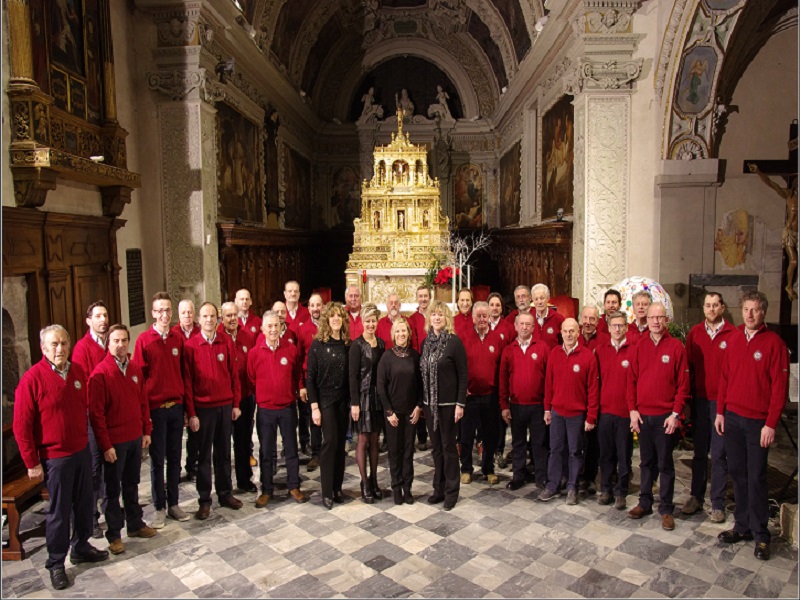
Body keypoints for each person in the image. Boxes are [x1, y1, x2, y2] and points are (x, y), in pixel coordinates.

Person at [14, 325, 109, 590]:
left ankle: (80, 546)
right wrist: (32, 462)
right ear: (43, 349)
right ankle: (56, 563)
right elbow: (22, 425)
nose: (60, 349)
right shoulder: (32, 379)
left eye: (64, 343)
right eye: (54, 345)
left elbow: (84, 410)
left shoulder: (77, 372)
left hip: (80, 451)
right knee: (59, 511)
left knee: (83, 504)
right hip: (55, 458)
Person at [715, 291, 789, 561]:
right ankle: (742, 526)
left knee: (756, 476)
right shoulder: (734, 339)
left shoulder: (774, 344)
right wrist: (720, 412)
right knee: (737, 472)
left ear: (763, 312)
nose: (749, 314)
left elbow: (779, 389)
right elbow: (724, 379)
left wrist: (771, 424)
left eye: (755, 310)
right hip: (732, 418)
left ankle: (761, 534)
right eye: (746, 309)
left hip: (758, 422)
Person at [88, 324, 156, 555]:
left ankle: (135, 524)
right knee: (111, 491)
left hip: (134, 437)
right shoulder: (100, 374)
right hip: (114, 443)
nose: (121, 345)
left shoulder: (135, 369)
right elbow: (96, 415)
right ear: (109, 343)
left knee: (132, 484)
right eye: (116, 341)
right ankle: (115, 534)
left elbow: (142, 402)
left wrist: (146, 430)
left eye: (124, 340)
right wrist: (106, 445)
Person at [627, 302, 690, 531]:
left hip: (665, 417)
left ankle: (665, 509)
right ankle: (645, 502)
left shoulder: (676, 347)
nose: (655, 321)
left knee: (665, 465)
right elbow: (631, 381)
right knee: (645, 462)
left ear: (666, 320)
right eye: (652, 317)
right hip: (643, 416)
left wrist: (675, 414)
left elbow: (683, 385)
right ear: (647, 319)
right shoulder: (638, 345)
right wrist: (632, 411)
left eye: (659, 317)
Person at [132, 292, 191, 527]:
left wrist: (187, 409)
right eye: (160, 311)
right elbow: (139, 380)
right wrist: (144, 415)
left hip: (175, 407)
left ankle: (174, 503)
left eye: (168, 310)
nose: (165, 315)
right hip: (156, 409)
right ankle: (159, 507)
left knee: (176, 458)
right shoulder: (144, 341)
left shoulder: (178, 339)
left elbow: (184, 375)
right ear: (153, 314)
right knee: (158, 461)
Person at [183, 302, 243, 519]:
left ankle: (225, 493)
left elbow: (233, 375)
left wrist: (236, 404)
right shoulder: (190, 346)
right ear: (199, 320)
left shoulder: (225, 341)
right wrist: (191, 413)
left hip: (225, 405)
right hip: (203, 408)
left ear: (218, 320)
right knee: (203, 456)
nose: (209, 320)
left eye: (212, 316)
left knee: (224, 453)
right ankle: (204, 500)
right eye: (205, 316)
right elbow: (187, 382)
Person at [682, 292, 736, 522]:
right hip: (700, 401)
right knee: (699, 452)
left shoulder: (733, 335)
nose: (711, 309)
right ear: (703, 308)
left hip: (721, 403)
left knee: (719, 453)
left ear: (722, 308)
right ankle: (696, 496)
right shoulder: (695, 333)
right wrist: (686, 401)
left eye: (715, 305)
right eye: (708, 305)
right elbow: (688, 369)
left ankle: (717, 503)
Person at [247, 311, 308, 508]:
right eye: (269, 326)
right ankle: (266, 489)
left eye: (277, 326)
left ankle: (293, 485)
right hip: (265, 410)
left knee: (291, 449)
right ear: (263, 329)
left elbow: (296, 373)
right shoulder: (254, 353)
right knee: (266, 451)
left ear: (282, 327)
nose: (273, 329)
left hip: (288, 407)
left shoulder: (290, 350)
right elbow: (251, 378)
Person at [539, 318, 599, 505]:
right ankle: (553, 484)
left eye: (572, 331)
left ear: (578, 332)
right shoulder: (554, 354)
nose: (568, 334)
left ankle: (572, 487)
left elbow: (593, 389)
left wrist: (591, 416)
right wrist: (547, 409)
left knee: (574, 452)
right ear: (561, 333)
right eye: (565, 331)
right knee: (555, 450)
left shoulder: (588, 356)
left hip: (577, 415)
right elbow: (548, 384)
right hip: (557, 412)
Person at [420, 300, 468, 510]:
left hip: (449, 404)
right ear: (429, 318)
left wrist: (460, 403)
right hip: (430, 405)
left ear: (446, 318)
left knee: (449, 448)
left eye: (440, 314)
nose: (436, 318)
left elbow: (463, 374)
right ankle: (438, 489)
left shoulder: (454, 342)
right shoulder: (425, 343)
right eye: (433, 314)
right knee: (436, 449)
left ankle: (451, 492)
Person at [307, 302, 351, 509]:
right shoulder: (318, 345)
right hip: (325, 400)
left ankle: (337, 488)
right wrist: (314, 407)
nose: (336, 319)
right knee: (330, 442)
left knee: (340, 445)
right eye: (332, 316)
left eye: (339, 316)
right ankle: (326, 491)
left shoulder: (346, 344)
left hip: (343, 400)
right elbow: (310, 378)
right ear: (326, 320)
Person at [71, 301, 109, 539]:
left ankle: (109, 508)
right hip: (92, 416)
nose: (102, 320)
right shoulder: (82, 348)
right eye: (98, 316)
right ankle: (91, 518)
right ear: (89, 321)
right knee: (94, 468)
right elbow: (85, 385)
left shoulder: (111, 342)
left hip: (111, 415)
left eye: (105, 315)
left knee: (109, 466)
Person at [499, 313, 550, 491]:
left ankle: (541, 476)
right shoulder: (508, 350)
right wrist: (504, 406)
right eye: (521, 324)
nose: (524, 327)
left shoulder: (543, 348)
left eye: (528, 324)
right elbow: (503, 380)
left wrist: (547, 406)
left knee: (539, 443)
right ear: (515, 326)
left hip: (538, 405)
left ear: (533, 327)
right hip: (516, 405)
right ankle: (518, 476)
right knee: (518, 443)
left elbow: (549, 379)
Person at [377, 319, 423, 504]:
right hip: (394, 414)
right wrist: (389, 412)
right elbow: (381, 387)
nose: (401, 334)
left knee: (408, 452)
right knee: (394, 452)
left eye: (404, 331)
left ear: (408, 333)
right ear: (393, 334)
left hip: (411, 413)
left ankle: (407, 488)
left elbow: (421, 386)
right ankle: (396, 487)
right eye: (398, 331)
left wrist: (419, 406)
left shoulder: (415, 356)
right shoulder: (386, 358)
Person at [459, 301, 504, 486]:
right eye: (478, 316)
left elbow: (501, 368)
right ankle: (466, 469)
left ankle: (488, 469)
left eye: (485, 316)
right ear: (473, 317)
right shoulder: (463, 337)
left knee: (490, 435)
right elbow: (458, 367)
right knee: (467, 436)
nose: (482, 319)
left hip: (490, 397)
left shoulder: (497, 339)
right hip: (469, 397)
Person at [594, 311, 635, 510]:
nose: (617, 329)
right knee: (606, 455)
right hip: (605, 412)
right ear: (608, 327)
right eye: (614, 325)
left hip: (625, 413)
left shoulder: (634, 350)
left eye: (621, 325)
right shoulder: (600, 350)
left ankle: (621, 492)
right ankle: (606, 489)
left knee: (623, 455)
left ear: (626, 327)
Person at [218, 302, 257, 493]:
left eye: (234, 315)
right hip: (225, 399)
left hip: (245, 396)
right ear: (222, 318)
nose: (232, 319)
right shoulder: (217, 338)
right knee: (224, 444)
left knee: (243, 440)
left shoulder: (247, 336)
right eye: (228, 316)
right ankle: (225, 486)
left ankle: (245, 479)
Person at [349, 304, 385, 503]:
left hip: (377, 397)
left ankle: (374, 480)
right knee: (363, 440)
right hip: (362, 397)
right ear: (363, 321)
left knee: (375, 440)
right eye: (368, 320)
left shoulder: (380, 343)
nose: (371, 324)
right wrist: (354, 403)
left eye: (374, 320)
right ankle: (364, 482)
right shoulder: (357, 345)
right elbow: (353, 376)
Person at [748, 165, 797, 299]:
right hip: (789, 233)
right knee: (793, 262)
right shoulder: (789, 195)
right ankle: (789, 286)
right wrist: (758, 171)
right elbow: (771, 184)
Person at [577, 305, 609, 496]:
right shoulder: (573, 336)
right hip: (575, 399)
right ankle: (574, 475)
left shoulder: (604, 341)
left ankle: (589, 478)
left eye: (592, 319)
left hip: (596, 399)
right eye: (585, 318)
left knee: (593, 443)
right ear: (581, 319)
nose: (588, 322)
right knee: (574, 442)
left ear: (598, 321)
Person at [298, 293, 324, 468]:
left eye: (318, 305)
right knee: (314, 417)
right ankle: (316, 453)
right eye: (312, 305)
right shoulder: (302, 329)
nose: (315, 308)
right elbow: (299, 359)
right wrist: (302, 385)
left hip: (328, 379)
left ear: (323, 306)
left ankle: (329, 451)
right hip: (311, 379)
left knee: (329, 417)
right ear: (308, 309)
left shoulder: (329, 326)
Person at [406, 285, 431, 450]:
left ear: (430, 297)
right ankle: (422, 436)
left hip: (435, 361)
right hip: (419, 360)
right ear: (417, 298)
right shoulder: (412, 318)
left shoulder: (435, 315)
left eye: (425, 296)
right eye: (420, 296)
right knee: (420, 396)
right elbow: (412, 340)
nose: (423, 299)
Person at [531, 283, 565, 348]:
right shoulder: (528, 319)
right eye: (536, 299)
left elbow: (564, 343)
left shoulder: (558, 319)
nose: (539, 302)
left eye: (542, 298)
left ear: (548, 298)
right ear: (532, 300)